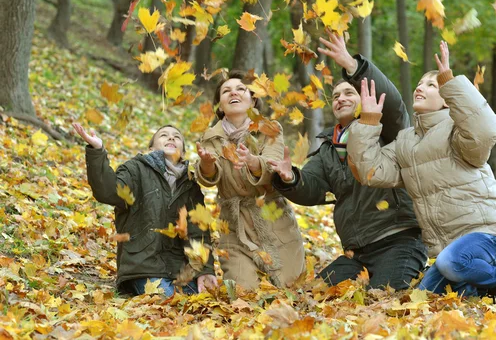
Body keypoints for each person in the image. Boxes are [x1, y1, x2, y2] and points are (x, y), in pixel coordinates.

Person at [346, 41, 496, 308]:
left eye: (431, 85)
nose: (420, 87)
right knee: (424, 301)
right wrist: (368, 121)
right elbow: (371, 171)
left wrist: (450, 81)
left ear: (446, 99)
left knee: (452, 264)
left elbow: (486, 129)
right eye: (419, 83)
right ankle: (477, 290)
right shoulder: (406, 141)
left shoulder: (457, 130)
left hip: (486, 232)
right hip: (445, 248)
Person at [268, 32, 427, 290]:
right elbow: (312, 187)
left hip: (399, 241)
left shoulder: (388, 129)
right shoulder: (328, 148)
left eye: (348, 93)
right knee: (314, 296)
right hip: (356, 253)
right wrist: (290, 178)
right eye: (336, 96)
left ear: (365, 97)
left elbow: (394, 104)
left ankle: (427, 273)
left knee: (384, 298)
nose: (340, 98)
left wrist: (353, 67)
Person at [73, 123, 216, 297]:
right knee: (169, 303)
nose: (171, 137)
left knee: (201, 302)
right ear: (151, 148)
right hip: (143, 268)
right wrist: (97, 151)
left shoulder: (191, 184)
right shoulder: (135, 170)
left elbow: (198, 233)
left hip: (179, 271)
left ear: (183, 152)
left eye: (177, 137)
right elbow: (108, 192)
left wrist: (205, 271)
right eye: (164, 135)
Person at [194, 72, 305, 290]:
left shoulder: (270, 128)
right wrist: (206, 164)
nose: (233, 92)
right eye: (226, 91)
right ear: (220, 105)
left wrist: (254, 162)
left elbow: (272, 164)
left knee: (293, 291)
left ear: (253, 100)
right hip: (234, 226)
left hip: (273, 218)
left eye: (240, 89)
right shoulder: (209, 137)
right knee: (243, 297)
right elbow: (208, 177)